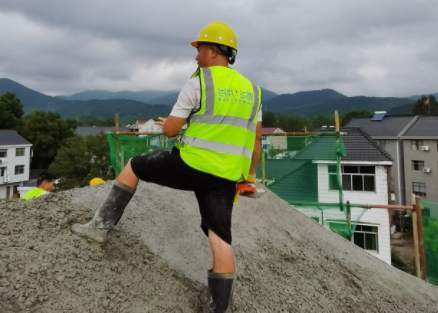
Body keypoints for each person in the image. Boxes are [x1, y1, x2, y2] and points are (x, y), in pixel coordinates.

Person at [71, 21, 262, 313]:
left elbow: (172, 131)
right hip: (226, 174)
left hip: (192, 163)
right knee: (220, 236)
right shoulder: (253, 90)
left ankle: (99, 228)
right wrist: (248, 176)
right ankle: (220, 307)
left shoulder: (199, 81)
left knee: (134, 166)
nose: (196, 56)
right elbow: (256, 141)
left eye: (199, 49)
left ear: (212, 51)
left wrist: (171, 122)